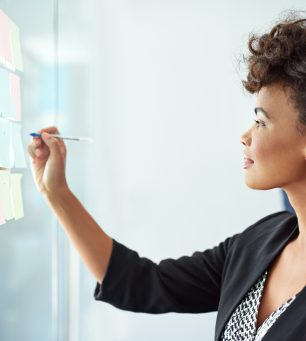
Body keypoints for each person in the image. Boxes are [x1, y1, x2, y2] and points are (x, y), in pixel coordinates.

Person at [28, 12, 306, 341]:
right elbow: (144, 283)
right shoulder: (260, 242)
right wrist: (57, 192)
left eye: (260, 122)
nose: (245, 136)